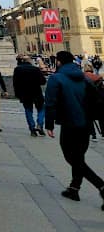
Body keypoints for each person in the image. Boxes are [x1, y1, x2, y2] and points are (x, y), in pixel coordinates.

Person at [45, 50, 104, 206]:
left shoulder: (56, 78)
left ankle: (101, 186)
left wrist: (49, 124)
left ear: (58, 62)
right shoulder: (84, 78)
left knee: (72, 158)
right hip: (86, 124)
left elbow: (50, 103)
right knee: (79, 157)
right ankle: (74, 189)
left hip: (70, 124)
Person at [12, 54, 47, 136]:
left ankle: (32, 129)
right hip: (36, 92)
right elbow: (43, 81)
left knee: (28, 110)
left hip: (24, 93)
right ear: (30, 61)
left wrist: (17, 94)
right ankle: (40, 124)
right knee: (41, 109)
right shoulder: (35, 69)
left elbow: (15, 83)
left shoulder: (17, 69)